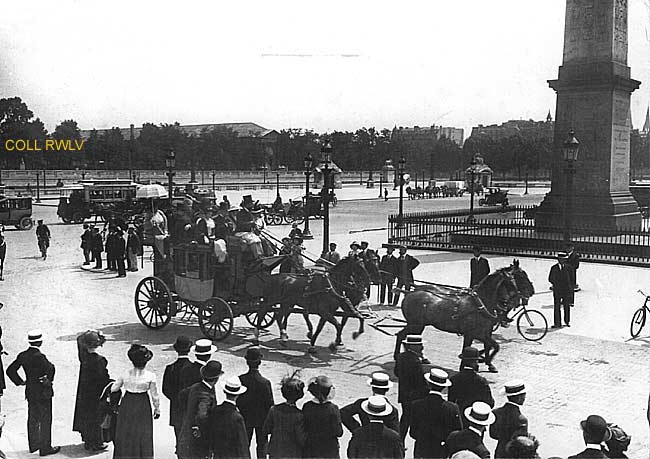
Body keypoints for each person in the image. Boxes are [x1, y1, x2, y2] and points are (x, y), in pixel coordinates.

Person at [6, 330, 60, 456]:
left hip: (30, 391)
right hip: (43, 392)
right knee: (45, 419)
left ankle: (34, 445)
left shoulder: (23, 355)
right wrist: (48, 379)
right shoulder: (40, 357)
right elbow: (50, 368)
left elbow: (10, 370)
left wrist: (20, 382)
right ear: (40, 342)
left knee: (33, 418)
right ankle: (45, 447)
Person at [111, 344, 161, 459]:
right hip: (143, 404)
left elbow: (114, 388)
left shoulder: (125, 374)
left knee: (126, 432)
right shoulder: (150, 376)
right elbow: (155, 395)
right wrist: (157, 409)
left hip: (127, 402)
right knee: (143, 433)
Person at [410, 368, 462, 459]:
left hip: (421, 449)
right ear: (444, 387)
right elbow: (456, 432)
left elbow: (413, 432)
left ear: (428, 384)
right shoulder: (452, 408)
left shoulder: (416, 405)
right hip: (441, 450)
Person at [72, 331, 110, 451]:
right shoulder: (100, 360)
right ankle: (97, 443)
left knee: (86, 416)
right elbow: (104, 379)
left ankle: (88, 441)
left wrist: (90, 334)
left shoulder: (83, 356)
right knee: (96, 418)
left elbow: (79, 339)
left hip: (84, 392)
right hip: (95, 394)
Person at [177, 360, 222, 459]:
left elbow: (181, 395)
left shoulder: (195, 386)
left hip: (186, 432)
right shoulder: (206, 395)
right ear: (216, 378)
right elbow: (202, 415)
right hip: (200, 439)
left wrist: (189, 411)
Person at [237, 347, 274, 459]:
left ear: (247, 362)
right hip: (261, 420)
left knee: (244, 446)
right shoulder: (265, 383)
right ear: (260, 362)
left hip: (245, 419)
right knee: (262, 447)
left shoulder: (240, 379)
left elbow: (237, 400)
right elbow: (270, 404)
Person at [162, 336, 195, 452]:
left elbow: (165, 390)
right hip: (191, 408)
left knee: (179, 439)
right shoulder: (194, 368)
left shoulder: (170, 368)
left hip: (176, 408)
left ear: (176, 350)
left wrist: (175, 399)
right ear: (190, 349)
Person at [263, 372, 307, 459]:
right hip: (293, 453)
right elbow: (301, 438)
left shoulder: (273, 410)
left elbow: (266, 430)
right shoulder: (300, 415)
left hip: (275, 451)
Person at [394, 334, 428, 444]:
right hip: (415, 396)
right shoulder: (416, 361)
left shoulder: (400, 357)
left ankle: (400, 440)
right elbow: (420, 381)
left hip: (404, 393)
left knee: (405, 418)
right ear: (414, 346)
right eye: (420, 345)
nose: (422, 347)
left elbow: (396, 373)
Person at [449, 347, 494, 427]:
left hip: (459, 420)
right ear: (475, 362)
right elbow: (490, 402)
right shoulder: (481, 381)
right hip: (476, 420)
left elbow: (451, 401)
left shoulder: (454, 379)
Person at [303, 375, 343, 459]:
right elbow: (339, 432)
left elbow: (304, 428)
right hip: (329, 451)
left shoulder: (307, 406)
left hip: (311, 449)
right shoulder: (333, 409)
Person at [210, 377, 251, 459]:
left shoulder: (215, 410)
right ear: (238, 395)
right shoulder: (237, 417)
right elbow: (242, 445)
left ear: (224, 391)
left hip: (217, 454)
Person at [490, 380, 528, 458]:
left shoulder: (496, 412)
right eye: (524, 395)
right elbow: (522, 444)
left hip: (499, 452)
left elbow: (493, 434)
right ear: (519, 397)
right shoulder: (521, 419)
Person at [549, 251, 573, 328]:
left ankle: (567, 321)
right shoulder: (554, 268)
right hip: (557, 290)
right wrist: (556, 284)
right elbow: (550, 278)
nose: (563, 261)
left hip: (566, 290)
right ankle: (557, 323)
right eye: (561, 259)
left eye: (564, 259)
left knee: (566, 306)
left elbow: (572, 278)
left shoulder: (569, 268)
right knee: (557, 307)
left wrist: (570, 288)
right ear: (558, 259)